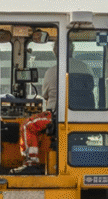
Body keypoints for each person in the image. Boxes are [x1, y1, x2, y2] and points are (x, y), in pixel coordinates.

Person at [12, 41, 91, 174]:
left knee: (27, 126)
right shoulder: (85, 68)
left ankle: (31, 162)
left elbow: (46, 95)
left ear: (55, 51)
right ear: (72, 49)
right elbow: (90, 88)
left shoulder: (52, 71)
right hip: (83, 116)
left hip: (55, 116)